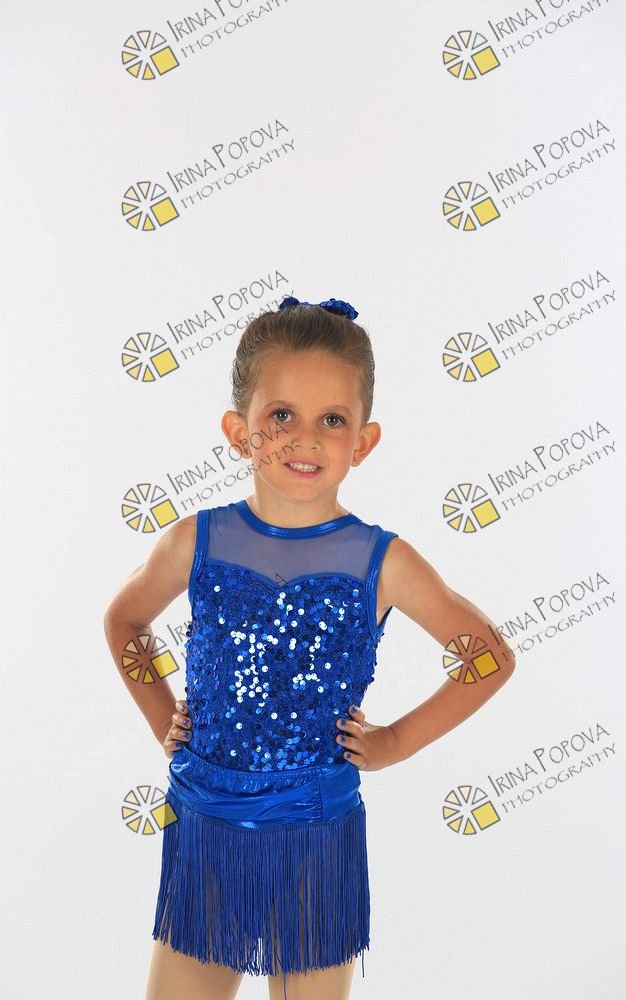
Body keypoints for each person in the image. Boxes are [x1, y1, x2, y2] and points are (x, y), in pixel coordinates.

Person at [103, 294, 517, 1000]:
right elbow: (125, 622)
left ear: (363, 441)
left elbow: (486, 656)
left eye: (332, 420)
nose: (305, 438)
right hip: (206, 823)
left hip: (315, 836)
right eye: (280, 416)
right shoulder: (194, 542)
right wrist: (163, 719)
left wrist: (394, 743)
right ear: (239, 431)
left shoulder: (382, 561)